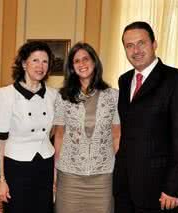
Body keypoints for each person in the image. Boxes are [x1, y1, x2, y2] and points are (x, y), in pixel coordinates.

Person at [113, 21, 178, 213]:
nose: (136, 50)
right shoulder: (124, 80)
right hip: (124, 186)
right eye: (129, 45)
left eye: (141, 43)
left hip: (158, 190)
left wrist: (173, 187)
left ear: (154, 44)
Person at [53, 42, 121, 213]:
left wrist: (116, 168)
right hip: (69, 176)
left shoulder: (113, 96)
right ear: (71, 67)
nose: (82, 64)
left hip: (103, 177)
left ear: (94, 62)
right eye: (77, 61)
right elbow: (59, 135)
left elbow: (116, 135)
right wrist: (55, 170)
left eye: (86, 59)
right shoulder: (63, 97)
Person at [0, 41, 57, 213]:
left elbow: (54, 136)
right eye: (35, 60)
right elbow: (0, 141)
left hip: (45, 165)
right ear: (23, 63)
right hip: (16, 167)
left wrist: (55, 178)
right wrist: (1, 180)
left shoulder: (54, 95)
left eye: (45, 61)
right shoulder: (6, 94)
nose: (40, 66)